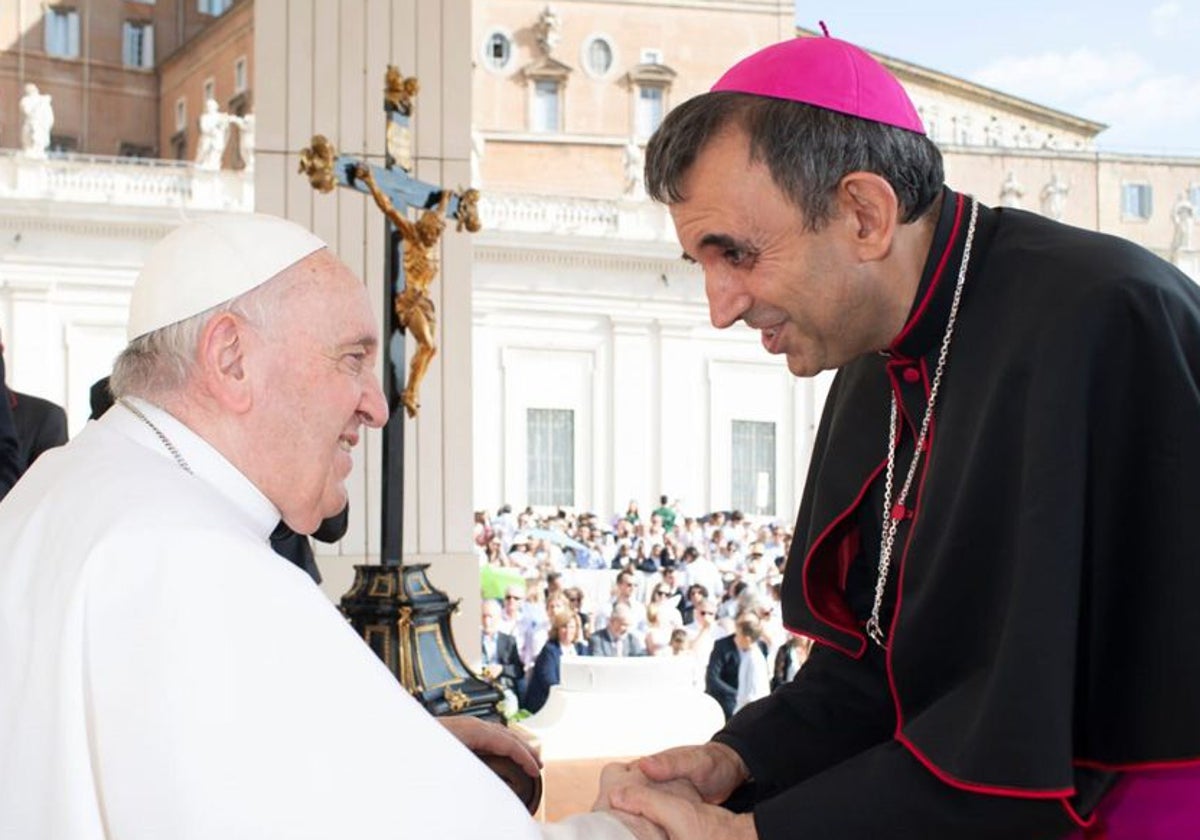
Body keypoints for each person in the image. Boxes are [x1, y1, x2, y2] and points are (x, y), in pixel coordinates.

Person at [597, 31, 1200, 838]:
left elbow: (1021, 723)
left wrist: (753, 836)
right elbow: (874, 673)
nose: (720, 305)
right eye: (700, 262)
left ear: (864, 213)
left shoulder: (1104, 317)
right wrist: (740, 758)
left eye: (736, 254)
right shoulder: (868, 358)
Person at [0, 214, 653, 839]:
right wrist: (624, 830)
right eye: (351, 359)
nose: (376, 405)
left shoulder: (59, 484)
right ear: (231, 359)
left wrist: (400, 745)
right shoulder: (204, 561)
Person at [523, 608, 588, 714]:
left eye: (572, 627)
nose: (568, 631)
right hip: (546, 704)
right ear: (557, 629)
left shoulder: (581, 649)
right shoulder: (549, 650)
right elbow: (549, 681)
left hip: (573, 701)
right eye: (564, 627)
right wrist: (567, 696)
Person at [195, 97, 234, 170]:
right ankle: (205, 164)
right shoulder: (204, 117)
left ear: (216, 107)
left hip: (217, 139)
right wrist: (212, 129)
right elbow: (203, 128)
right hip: (207, 138)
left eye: (211, 106)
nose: (209, 107)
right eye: (208, 106)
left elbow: (225, 128)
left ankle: (213, 165)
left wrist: (224, 123)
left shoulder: (220, 116)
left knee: (215, 154)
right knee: (205, 151)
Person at [19, 83, 53, 159]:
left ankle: (37, 150)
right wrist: (39, 103)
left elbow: (49, 117)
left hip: (40, 126)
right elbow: (27, 111)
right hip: (30, 124)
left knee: (38, 142)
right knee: (29, 143)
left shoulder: (44, 101)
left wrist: (46, 125)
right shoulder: (26, 100)